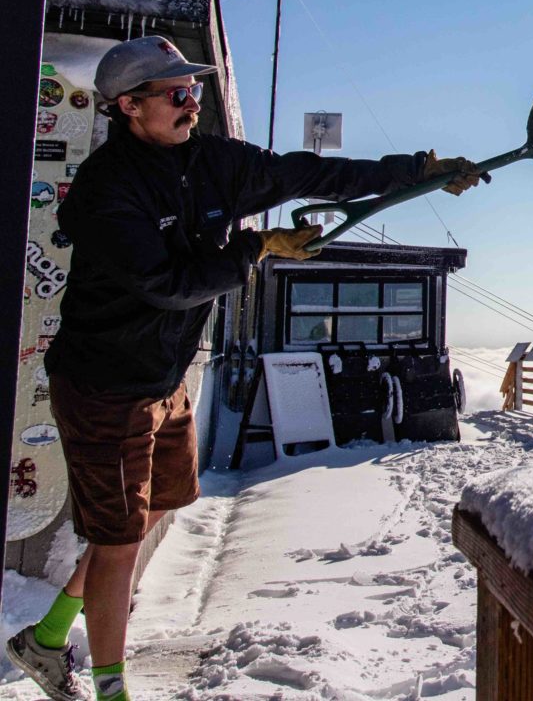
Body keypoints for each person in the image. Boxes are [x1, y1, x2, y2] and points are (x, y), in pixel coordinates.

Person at [7, 36, 487, 701]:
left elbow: (306, 175)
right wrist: (255, 248)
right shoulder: (107, 189)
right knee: (116, 540)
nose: (190, 101)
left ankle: (49, 634)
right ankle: (109, 690)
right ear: (128, 107)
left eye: (194, 90)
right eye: (175, 94)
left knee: (165, 504)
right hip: (107, 387)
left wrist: (418, 170)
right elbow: (164, 282)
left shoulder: (210, 163)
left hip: (163, 379)